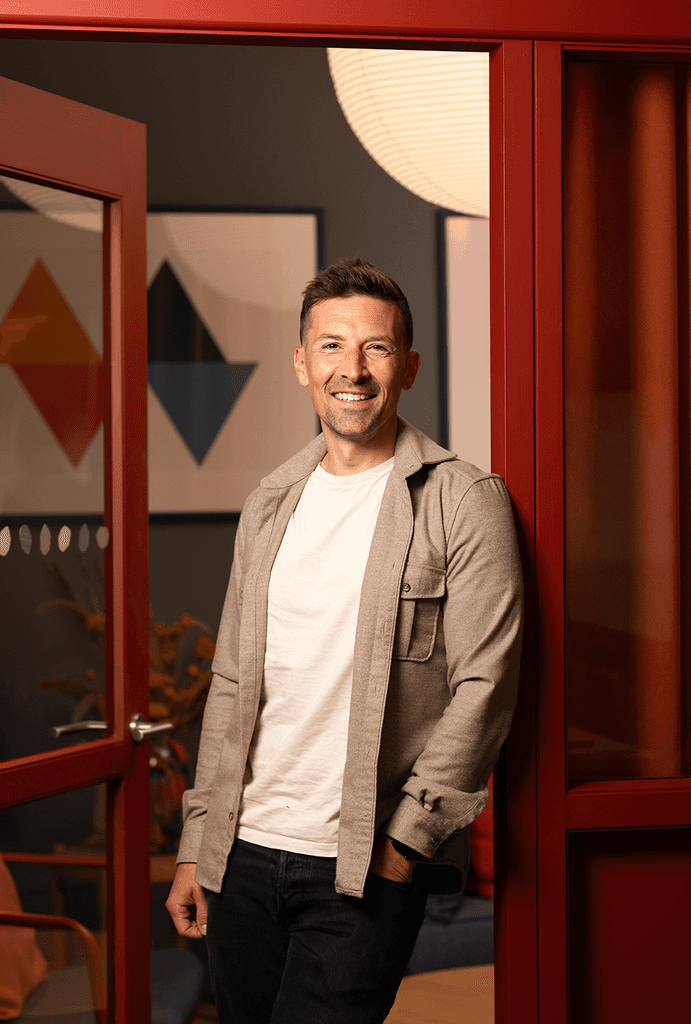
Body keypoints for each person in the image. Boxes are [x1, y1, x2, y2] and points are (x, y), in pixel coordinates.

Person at [166, 257, 523, 1024]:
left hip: (361, 864)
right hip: (241, 855)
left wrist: (406, 843)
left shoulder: (464, 500)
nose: (352, 369)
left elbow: (484, 687)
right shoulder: (268, 504)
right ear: (302, 364)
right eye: (331, 346)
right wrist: (198, 842)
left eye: (376, 348)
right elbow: (230, 682)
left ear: (409, 366)